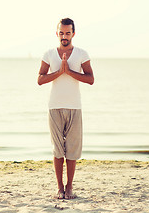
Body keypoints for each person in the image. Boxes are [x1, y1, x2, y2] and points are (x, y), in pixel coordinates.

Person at [37, 18, 94, 199]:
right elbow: (40, 79)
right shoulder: (49, 54)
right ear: (57, 33)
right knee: (57, 150)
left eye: (67, 33)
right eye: (61, 33)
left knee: (72, 150)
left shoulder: (81, 54)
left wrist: (69, 72)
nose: (64, 36)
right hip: (54, 107)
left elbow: (90, 79)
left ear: (73, 34)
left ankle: (69, 187)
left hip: (74, 107)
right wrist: (59, 73)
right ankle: (59, 187)